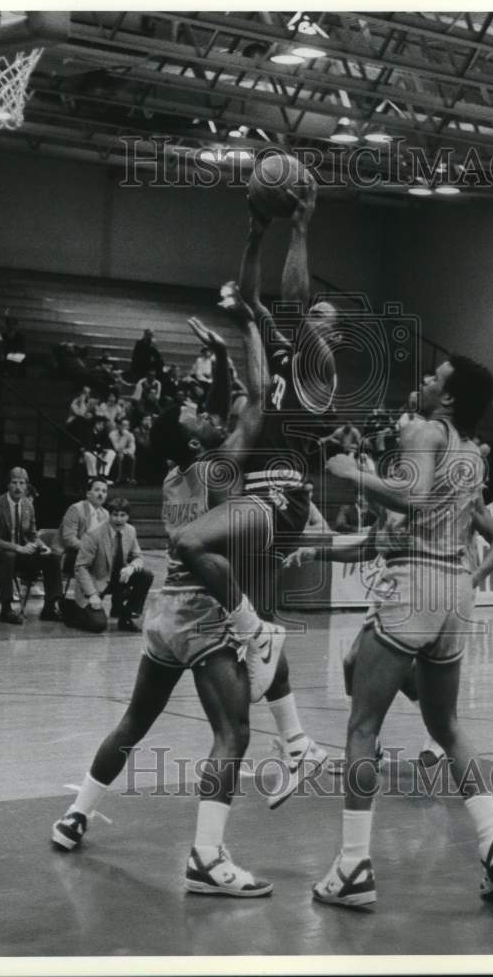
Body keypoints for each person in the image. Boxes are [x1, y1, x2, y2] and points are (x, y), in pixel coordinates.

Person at [51, 307, 275, 895]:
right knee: (234, 735)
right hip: (201, 616)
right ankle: (206, 858)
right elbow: (257, 402)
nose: (206, 413)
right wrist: (251, 326)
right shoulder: (219, 468)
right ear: (196, 438)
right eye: (196, 415)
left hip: (163, 616)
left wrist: (220, 359)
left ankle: (76, 814)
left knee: (134, 721)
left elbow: (214, 416)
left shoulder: (179, 474)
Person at [286, 356, 493, 905]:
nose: (424, 382)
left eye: (434, 378)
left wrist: (349, 473)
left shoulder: (426, 430)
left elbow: (410, 500)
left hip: (415, 586)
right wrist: (318, 548)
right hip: (454, 594)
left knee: (362, 728)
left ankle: (352, 867)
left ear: (449, 399)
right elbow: (387, 532)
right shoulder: (471, 454)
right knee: (447, 726)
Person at [171, 181, 338, 711]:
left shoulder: (320, 367)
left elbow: (292, 300)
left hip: (280, 494)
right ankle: (294, 738)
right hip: (261, 495)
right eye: (313, 317)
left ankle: (256, 640)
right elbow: (251, 300)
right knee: (254, 625)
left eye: (320, 319)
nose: (309, 321)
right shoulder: (281, 353)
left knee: (195, 552)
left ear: (331, 335)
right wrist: (255, 234)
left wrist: (301, 228)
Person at [0, 467, 63, 625]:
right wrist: (17, 548)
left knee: (52, 557)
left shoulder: (28, 505)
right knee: (9, 555)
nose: (18, 487)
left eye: (22, 483)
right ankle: (6, 609)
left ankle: (49, 607)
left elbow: (32, 534)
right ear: (8, 485)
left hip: (21, 555)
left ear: (26, 486)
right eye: (14, 483)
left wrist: (43, 546)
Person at [68, 497, 153, 632]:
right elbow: (81, 567)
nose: (119, 519)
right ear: (109, 515)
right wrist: (92, 594)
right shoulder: (93, 534)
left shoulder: (130, 530)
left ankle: (125, 617)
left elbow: (138, 557)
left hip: (118, 579)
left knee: (146, 576)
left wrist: (131, 568)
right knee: (98, 625)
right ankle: (70, 608)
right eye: (115, 515)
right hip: (96, 582)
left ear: (128, 516)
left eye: (123, 515)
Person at [58, 478, 110, 574]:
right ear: (88, 493)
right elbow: (69, 539)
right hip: (74, 553)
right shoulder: (76, 509)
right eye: (97, 490)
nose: (100, 494)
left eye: (104, 491)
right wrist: (90, 549)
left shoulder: (105, 514)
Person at [109, 418, 136, 484]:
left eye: (127, 425)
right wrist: (124, 436)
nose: (125, 427)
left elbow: (132, 448)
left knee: (132, 457)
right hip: (113, 452)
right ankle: (118, 478)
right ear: (119, 426)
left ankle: (131, 478)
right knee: (120, 456)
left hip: (124, 452)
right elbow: (116, 448)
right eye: (123, 425)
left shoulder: (130, 434)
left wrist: (125, 452)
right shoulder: (112, 434)